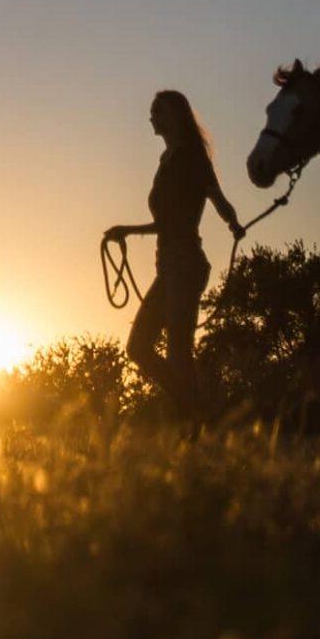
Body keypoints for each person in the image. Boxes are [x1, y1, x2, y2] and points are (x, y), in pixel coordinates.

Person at [105, 90, 245, 418]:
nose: (152, 116)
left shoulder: (191, 158)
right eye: (153, 111)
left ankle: (194, 420)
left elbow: (211, 201)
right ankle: (194, 411)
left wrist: (233, 222)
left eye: (159, 111)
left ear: (176, 117)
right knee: (139, 347)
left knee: (178, 352)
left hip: (185, 264)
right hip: (168, 267)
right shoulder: (167, 159)